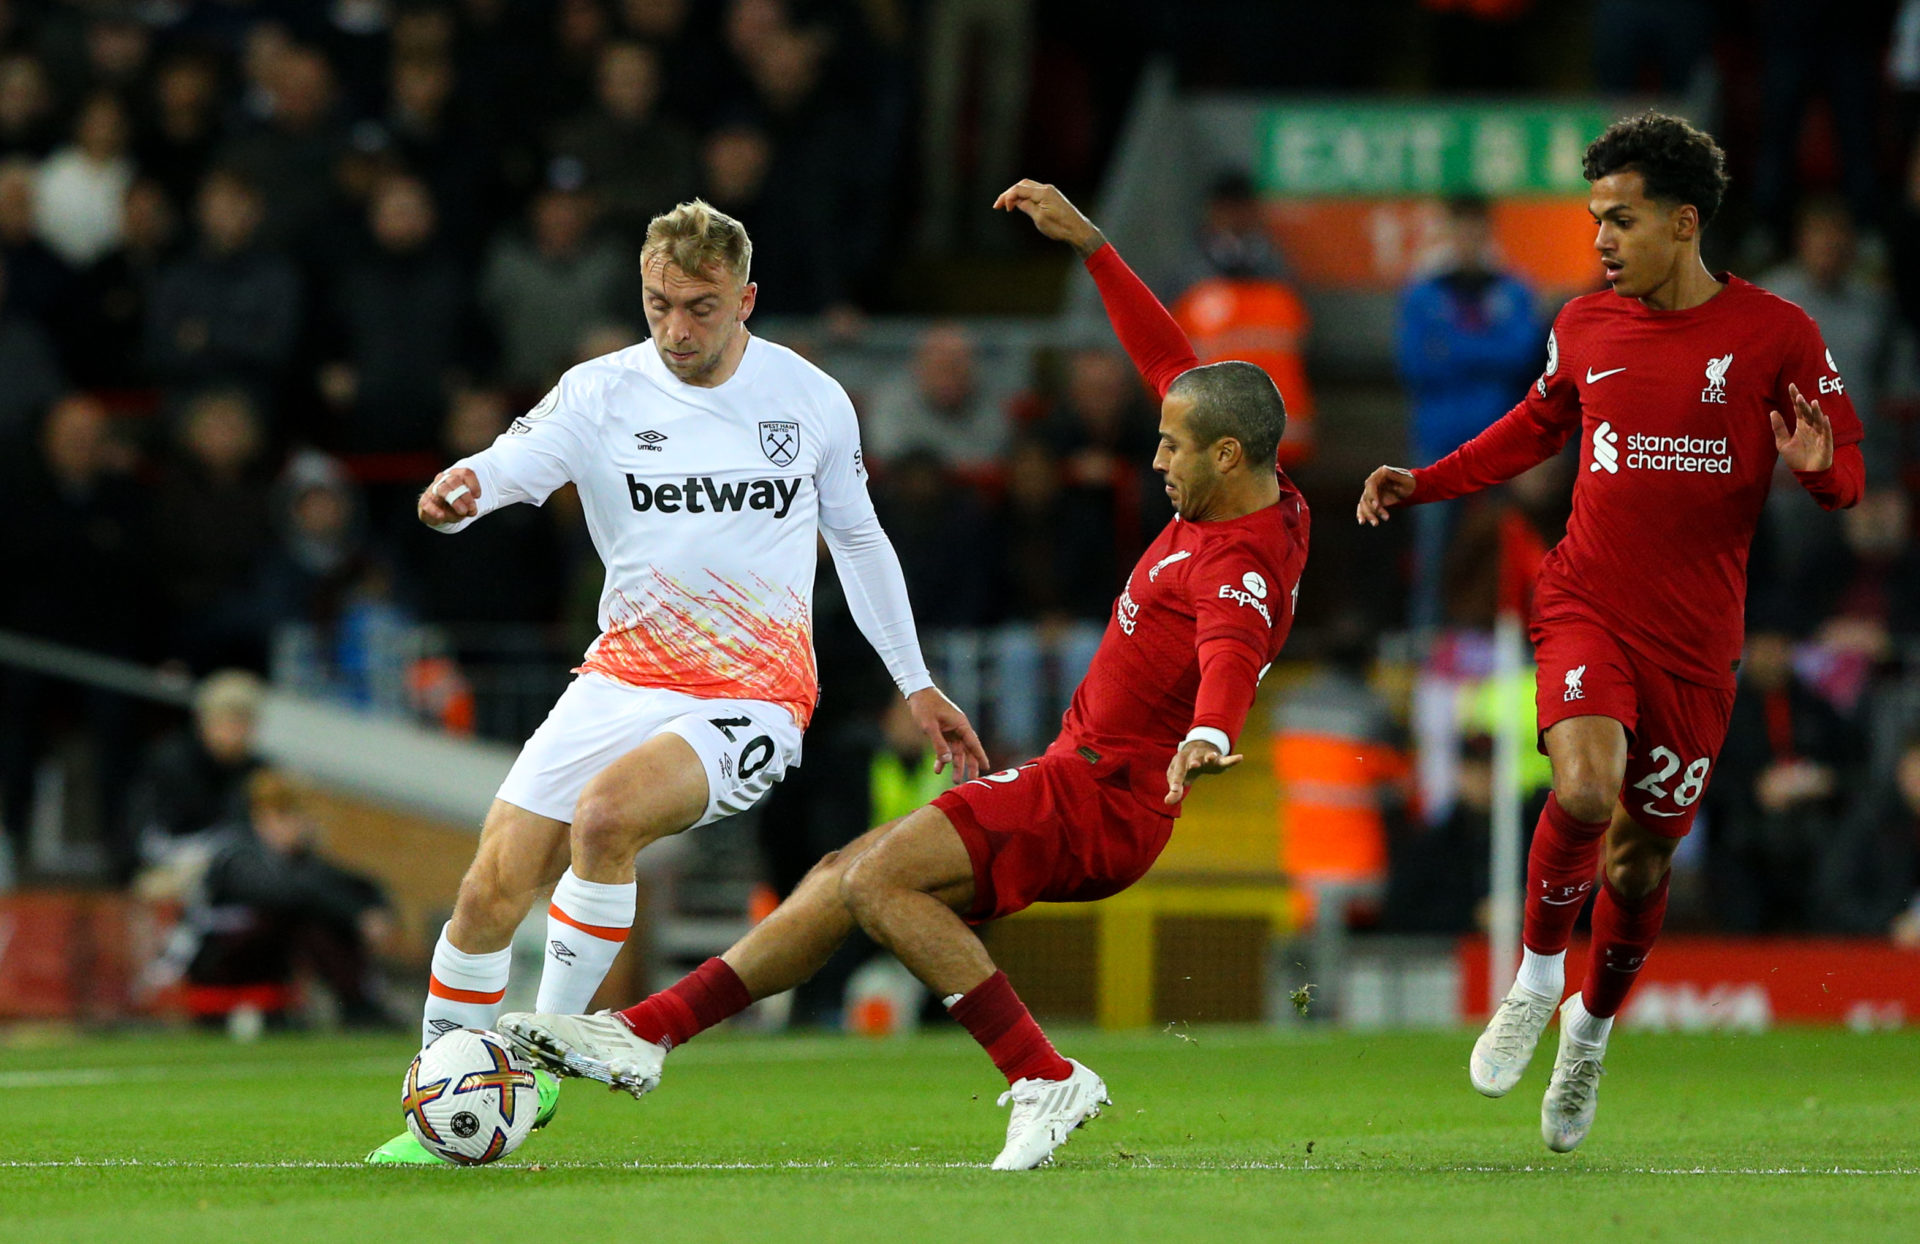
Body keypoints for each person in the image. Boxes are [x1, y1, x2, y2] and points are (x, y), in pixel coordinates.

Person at [495, 180, 1309, 1172]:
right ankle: (649, 1030)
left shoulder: (1239, 561)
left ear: (1225, 454)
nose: (1155, 454)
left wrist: (1213, 731)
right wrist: (1095, 246)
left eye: (1171, 445)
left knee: (880, 879)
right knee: (843, 877)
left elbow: (1232, 643)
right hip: (1081, 772)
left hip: (1107, 790)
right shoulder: (1243, 481)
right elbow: (1174, 364)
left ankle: (1042, 1074)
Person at [365, 198, 984, 1164]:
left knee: (606, 819)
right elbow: (518, 462)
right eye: (658, 305)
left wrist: (916, 681)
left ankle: (537, 1067)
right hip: (620, 676)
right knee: (489, 891)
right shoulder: (601, 391)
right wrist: (463, 492)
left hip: (753, 692)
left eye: (698, 307)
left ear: (746, 299)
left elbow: (857, 540)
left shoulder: (810, 399)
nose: (676, 329)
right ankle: (440, 1102)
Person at [1356, 111, 1865, 1153]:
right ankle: (1538, 976)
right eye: (1595, 219)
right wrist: (1429, 482)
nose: (1600, 241)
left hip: (1696, 642)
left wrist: (1815, 467)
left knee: (1637, 865)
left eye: (1621, 221)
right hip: (1586, 597)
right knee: (1584, 789)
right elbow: (1534, 426)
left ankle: (1590, 1027)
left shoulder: (1776, 334)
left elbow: (1847, 476)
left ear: (1684, 224)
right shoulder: (1584, 324)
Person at [1394, 195, 1541, 632]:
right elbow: (1415, 364)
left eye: (1476, 229)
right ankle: (1427, 651)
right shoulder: (1422, 294)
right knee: (1434, 555)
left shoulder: (1514, 290)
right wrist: (1486, 350)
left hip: (1500, 448)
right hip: (1437, 448)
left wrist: (1452, 347)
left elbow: (1522, 355)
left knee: (1499, 557)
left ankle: (1499, 651)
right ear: (1447, 233)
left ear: (1487, 232)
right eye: (1459, 229)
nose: (1467, 240)